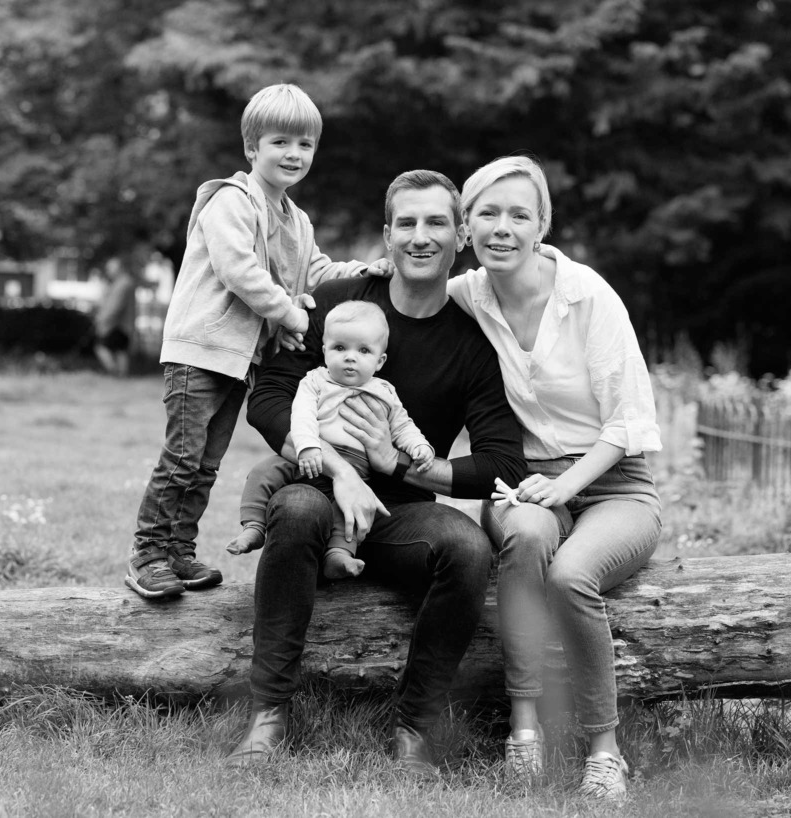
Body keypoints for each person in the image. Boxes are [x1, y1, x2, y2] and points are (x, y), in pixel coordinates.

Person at [227, 169, 526, 774]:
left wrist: (400, 468)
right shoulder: (336, 307)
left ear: (461, 235)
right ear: (387, 235)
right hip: (315, 486)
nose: (421, 237)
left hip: (401, 512)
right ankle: (269, 715)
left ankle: (415, 727)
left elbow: (502, 464)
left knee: (466, 549)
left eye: (436, 222)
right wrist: (340, 470)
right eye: (407, 224)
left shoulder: (472, 343)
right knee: (299, 508)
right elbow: (269, 398)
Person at [447, 155, 663, 802]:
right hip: (521, 482)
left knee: (572, 575)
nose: (503, 227)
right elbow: (399, 282)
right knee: (530, 541)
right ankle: (525, 732)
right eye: (488, 213)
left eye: (520, 214)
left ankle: (603, 750)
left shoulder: (586, 295)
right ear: (467, 226)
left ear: (542, 225)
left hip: (615, 482)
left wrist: (568, 487)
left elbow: (630, 421)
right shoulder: (467, 296)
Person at [125, 83, 386, 600]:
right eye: (280, 142)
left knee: (205, 462)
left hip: (238, 360)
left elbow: (315, 271)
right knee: (182, 456)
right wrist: (290, 316)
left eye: (305, 145)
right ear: (252, 149)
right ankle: (148, 554)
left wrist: (363, 270)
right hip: (200, 349)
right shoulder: (231, 200)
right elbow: (238, 269)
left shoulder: (297, 220)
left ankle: (180, 551)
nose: (294, 154)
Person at [226, 299, 435, 579]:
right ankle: (253, 526)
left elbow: (402, 426)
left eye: (363, 350)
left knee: (351, 509)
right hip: (310, 456)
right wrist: (308, 445)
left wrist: (419, 446)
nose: (350, 357)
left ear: (380, 360)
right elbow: (300, 414)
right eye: (340, 348)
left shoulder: (384, 391)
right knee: (264, 471)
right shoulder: (315, 381)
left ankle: (339, 555)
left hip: (358, 470)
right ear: (324, 351)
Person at [93, 253, 139, 377]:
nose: (108, 271)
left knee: (101, 347)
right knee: (121, 351)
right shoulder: (123, 282)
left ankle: (113, 371)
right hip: (125, 325)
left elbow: (115, 306)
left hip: (118, 324)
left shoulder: (122, 284)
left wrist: (101, 319)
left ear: (118, 268)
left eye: (110, 268)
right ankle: (121, 375)